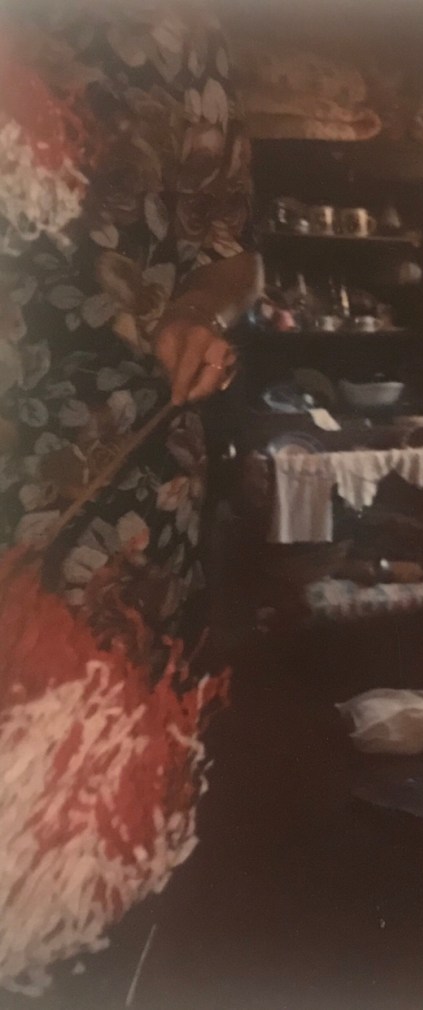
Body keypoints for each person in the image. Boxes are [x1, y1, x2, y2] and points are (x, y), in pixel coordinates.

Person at [0, 1, 262, 647]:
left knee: (90, 697)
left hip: (115, 461)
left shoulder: (179, 31)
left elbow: (230, 250)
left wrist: (196, 313)